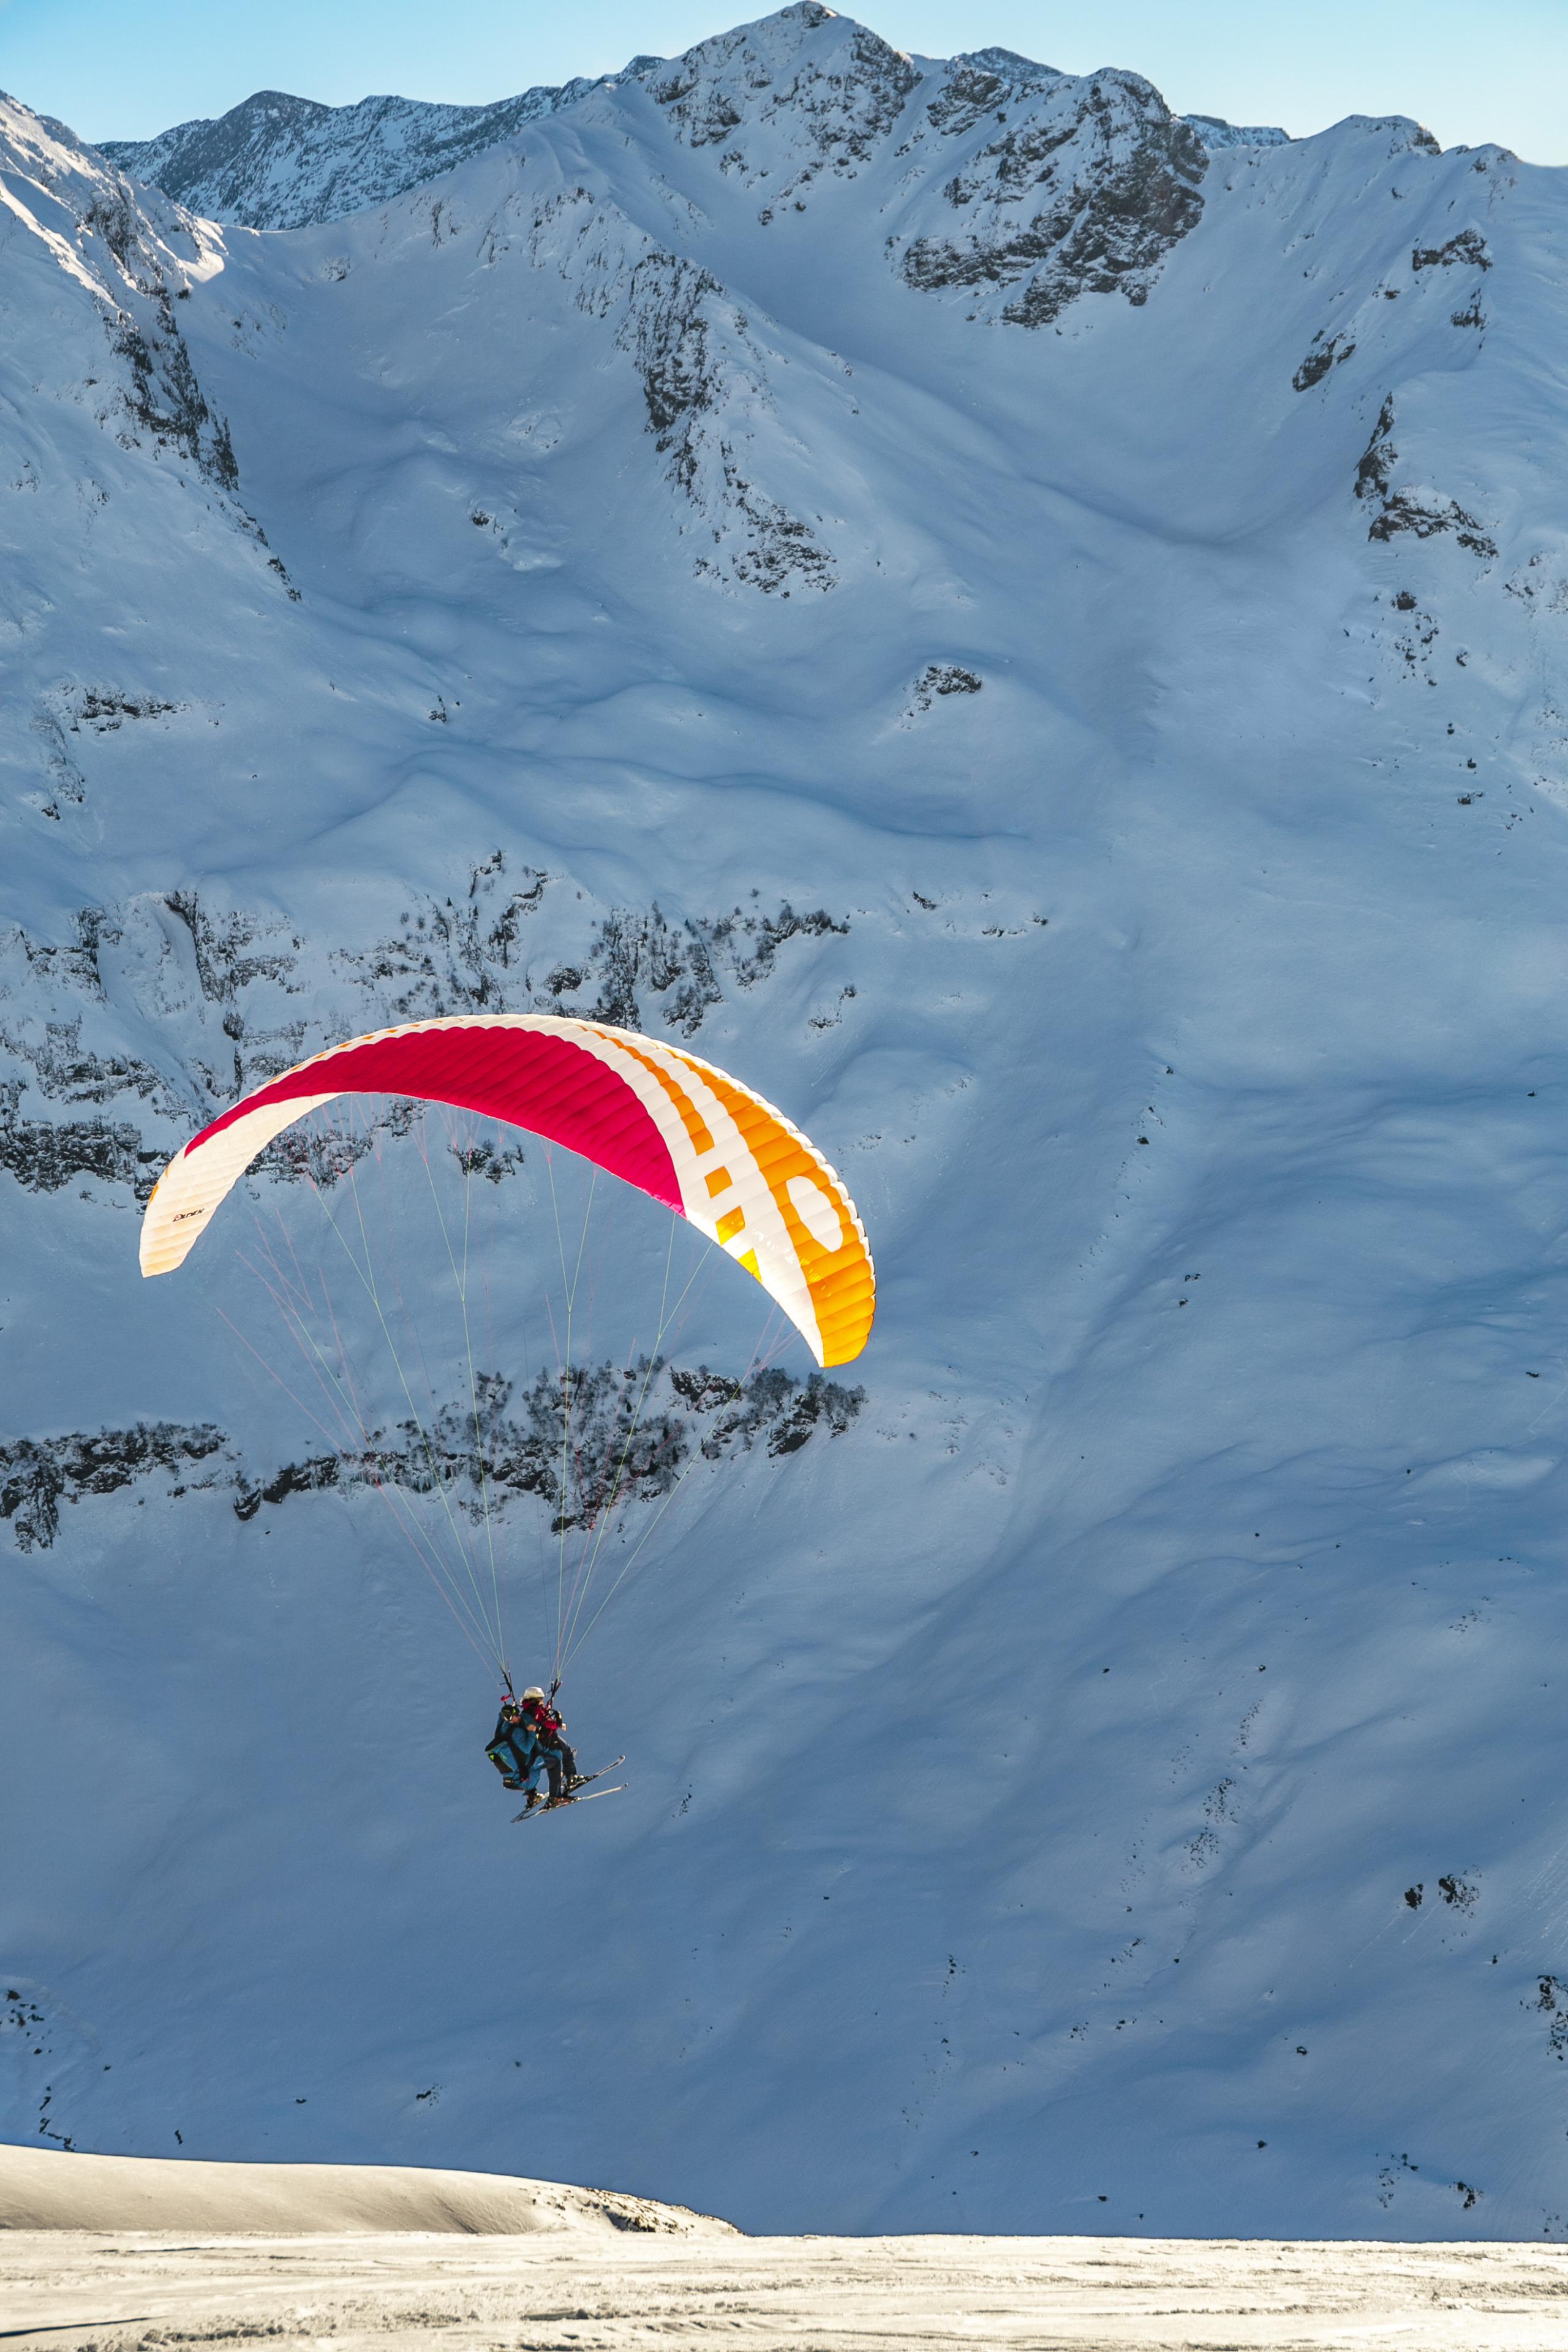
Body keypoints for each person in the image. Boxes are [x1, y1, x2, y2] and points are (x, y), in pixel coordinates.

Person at [518, 1685, 582, 1803]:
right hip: (548, 1739)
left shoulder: (528, 1710)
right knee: (558, 1760)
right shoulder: (536, 1710)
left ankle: (534, 1795)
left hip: (547, 1738)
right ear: (532, 1699)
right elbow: (545, 1722)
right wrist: (558, 1724)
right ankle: (560, 1791)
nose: (540, 1701)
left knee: (565, 1752)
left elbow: (542, 1717)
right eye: (538, 1699)